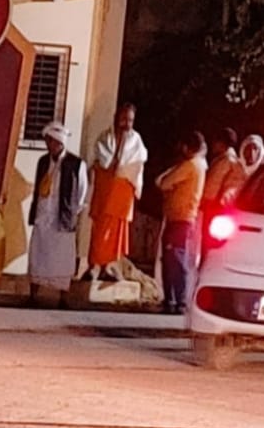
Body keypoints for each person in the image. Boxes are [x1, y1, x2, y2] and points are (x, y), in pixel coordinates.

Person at [86, 103, 148, 283]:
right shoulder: (105, 138)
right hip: (105, 192)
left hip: (122, 193)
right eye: (124, 119)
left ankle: (108, 266)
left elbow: (138, 164)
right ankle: (94, 265)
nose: (127, 124)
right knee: (100, 229)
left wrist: (123, 169)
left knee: (116, 233)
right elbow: (101, 161)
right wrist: (113, 163)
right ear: (116, 118)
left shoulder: (136, 140)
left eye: (130, 120)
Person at [27, 121, 86, 304]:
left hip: (63, 218)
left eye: (51, 141)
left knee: (62, 258)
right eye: (47, 141)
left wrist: (72, 211)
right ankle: (33, 296)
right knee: (39, 254)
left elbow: (82, 191)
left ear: (60, 142)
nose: (48, 145)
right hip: (43, 216)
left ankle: (63, 298)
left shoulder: (76, 164)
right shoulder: (43, 162)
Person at [156, 132, 208, 315]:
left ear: (187, 147)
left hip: (179, 218)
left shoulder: (190, 165)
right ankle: (175, 300)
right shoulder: (199, 165)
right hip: (184, 218)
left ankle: (177, 300)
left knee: (175, 260)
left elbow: (163, 182)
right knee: (175, 259)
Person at [199, 128, 248, 254]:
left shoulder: (226, 161)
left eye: (216, 141)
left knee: (209, 246)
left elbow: (212, 187)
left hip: (216, 208)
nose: (213, 145)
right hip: (226, 209)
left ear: (222, 143)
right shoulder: (233, 161)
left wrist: (202, 203)